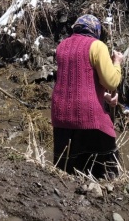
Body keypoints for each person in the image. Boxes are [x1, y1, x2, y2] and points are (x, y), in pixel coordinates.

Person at [51, 14, 124, 179]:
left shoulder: (62, 46)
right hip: (87, 116)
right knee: (103, 172)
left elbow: (76, 82)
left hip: (60, 115)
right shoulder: (97, 46)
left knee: (66, 173)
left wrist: (103, 96)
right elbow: (111, 81)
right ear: (95, 30)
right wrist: (117, 62)